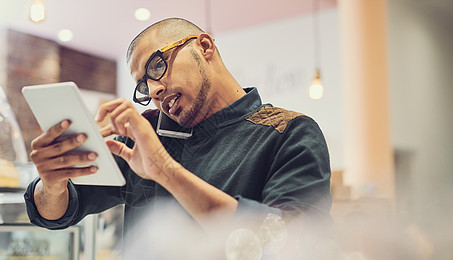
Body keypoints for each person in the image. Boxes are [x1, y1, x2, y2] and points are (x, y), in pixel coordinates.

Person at [23, 18, 332, 239]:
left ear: (205, 47)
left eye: (157, 66)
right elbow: (57, 211)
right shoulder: (145, 133)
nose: (154, 89)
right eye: (143, 85)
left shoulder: (289, 133)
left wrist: (165, 170)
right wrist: (51, 183)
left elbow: (293, 243)